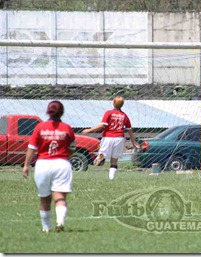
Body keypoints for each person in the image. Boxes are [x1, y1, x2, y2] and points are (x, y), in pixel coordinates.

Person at [23, 100, 75, 233]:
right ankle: (60, 222)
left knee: (45, 199)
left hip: (43, 164)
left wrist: (26, 166)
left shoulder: (40, 127)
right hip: (62, 164)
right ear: (62, 112)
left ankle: (46, 228)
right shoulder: (67, 128)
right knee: (59, 196)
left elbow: (31, 148)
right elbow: (72, 148)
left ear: (48, 111)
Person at [82, 96, 140, 180]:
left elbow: (102, 126)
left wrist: (89, 130)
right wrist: (133, 141)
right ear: (122, 105)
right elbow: (130, 130)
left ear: (113, 103)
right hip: (119, 138)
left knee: (102, 152)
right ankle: (111, 178)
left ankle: (101, 156)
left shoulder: (108, 113)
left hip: (108, 137)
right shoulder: (124, 115)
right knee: (114, 160)